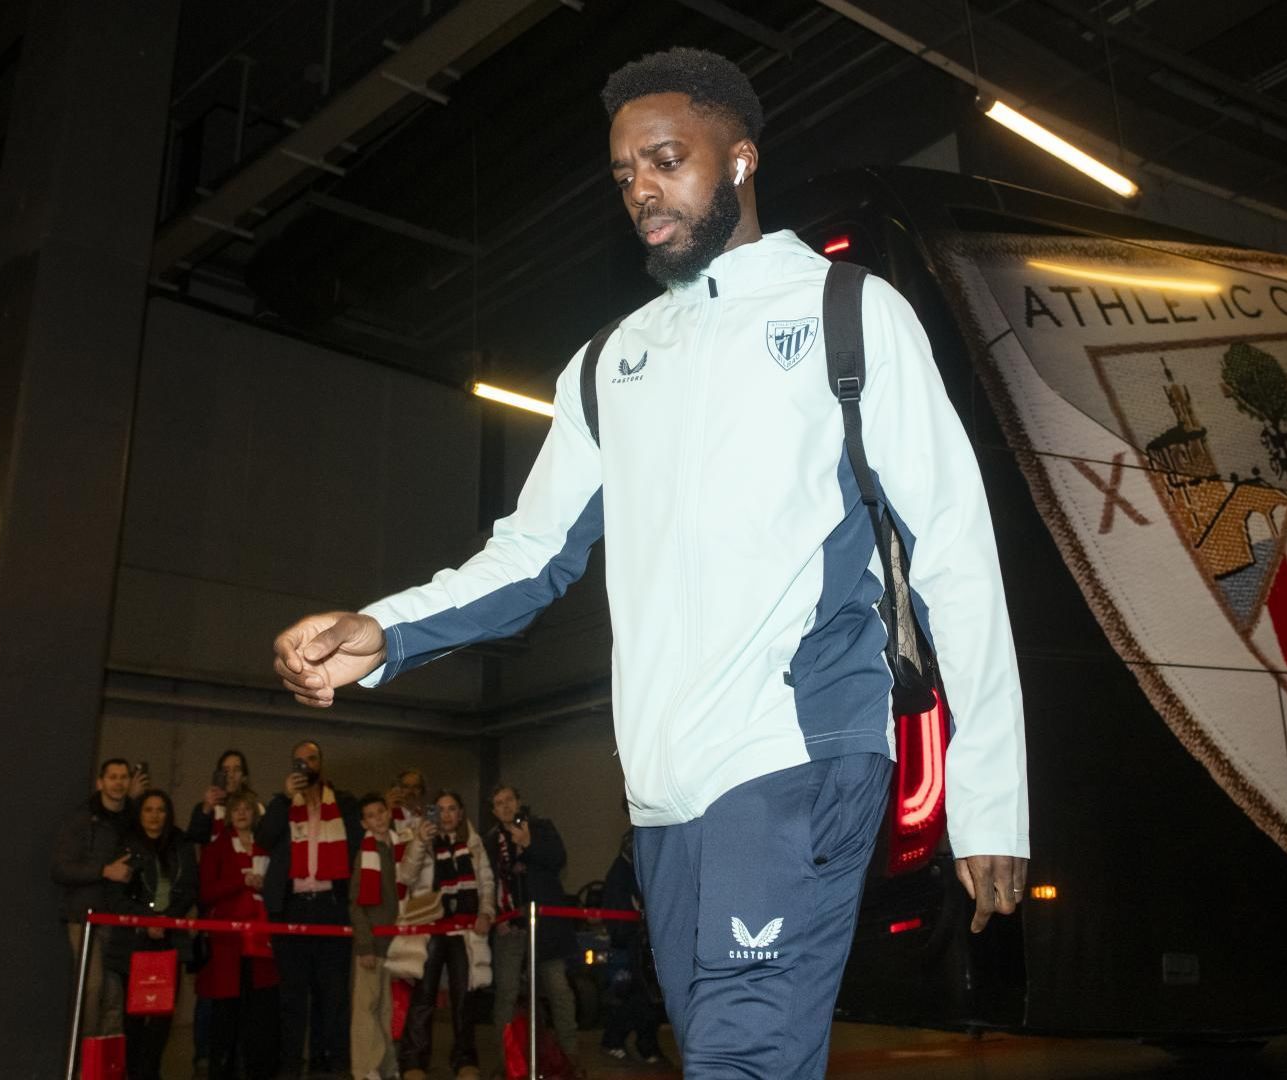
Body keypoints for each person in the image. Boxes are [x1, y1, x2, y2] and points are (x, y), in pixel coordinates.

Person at [270, 45, 1029, 1079]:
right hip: (663, 796)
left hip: (798, 753)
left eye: (667, 160)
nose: (642, 192)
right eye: (626, 174)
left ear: (743, 158)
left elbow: (957, 552)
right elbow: (531, 553)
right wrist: (385, 630)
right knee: (716, 1050)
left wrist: (989, 798)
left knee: (742, 1060)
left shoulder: (847, 316)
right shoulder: (609, 364)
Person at [254, 739, 362, 1080]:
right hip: (293, 910)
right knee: (293, 998)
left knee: (333, 997)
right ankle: (289, 1067)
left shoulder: (344, 804)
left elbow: (359, 845)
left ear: (321, 764)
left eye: (311, 759)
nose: (305, 765)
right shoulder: (281, 804)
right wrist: (285, 798)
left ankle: (335, 1063)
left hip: (332, 909)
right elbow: (264, 838)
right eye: (298, 760)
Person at [481, 785, 579, 1076]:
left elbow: (558, 859)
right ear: (494, 811)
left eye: (509, 800)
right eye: (499, 803)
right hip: (509, 927)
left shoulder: (541, 827)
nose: (506, 806)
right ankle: (509, 1063)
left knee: (559, 991)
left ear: (519, 802)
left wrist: (529, 843)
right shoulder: (489, 841)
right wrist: (497, 917)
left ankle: (570, 1060)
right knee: (507, 994)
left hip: (546, 926)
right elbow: (487, 880)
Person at [398, 790, 494, 1080]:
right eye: (440, 809)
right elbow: (405, 876)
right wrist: (419, 843)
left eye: (452, 808)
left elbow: (486, 881)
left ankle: (465, 1058)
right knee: (423, 995)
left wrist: (486, 913)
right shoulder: (420, 837)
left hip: (464, 930)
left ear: (461, 812)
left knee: (464, 996)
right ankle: (414, 1062)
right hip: (430, 927)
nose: (446, 815)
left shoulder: (474, 841)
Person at [106, 789, 199, 1080]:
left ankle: (150, 1072)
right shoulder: (127, 845)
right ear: (140, 813)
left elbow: (190, 888)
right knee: (134, 1016)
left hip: (170, 937)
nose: (155, 816)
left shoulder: (180, 844)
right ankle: (134, 1072)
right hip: (134, 940)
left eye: (160, 810)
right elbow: (116, 895)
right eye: (148, 809)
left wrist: (167, 920)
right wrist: (147, 919)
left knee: (162, 1015)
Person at [199, 789, 280, 1080]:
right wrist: (241, 881)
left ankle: (258, 1069)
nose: (242, 813)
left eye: (247, 808)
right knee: (226, 1012)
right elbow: (207, 892)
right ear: (229, 815)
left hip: (261, 943)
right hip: (228, 945)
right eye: (236, 809)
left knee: (259, 1013)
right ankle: (222, 1069)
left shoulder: (267, 847)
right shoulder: (217, 849)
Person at [53, 757, 137, 1036]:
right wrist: (104, 871)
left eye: (123, 777)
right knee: (92, 988)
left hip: (118, 915)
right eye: (112, 777)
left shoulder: (133, 819)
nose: (118, 782)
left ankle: (106, 1064)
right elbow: (61, 868)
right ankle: (84, 1062)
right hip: (84, 916)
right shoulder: (81, 820)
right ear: (100, 782)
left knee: (114, 993)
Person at [349, 791, 430, 1080]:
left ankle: (385, 1066)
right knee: (365, 1010)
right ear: (363, 823)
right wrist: (365, 945)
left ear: (388, 813)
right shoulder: (365, 853)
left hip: (393, 943)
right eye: (370, 816)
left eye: (381, 813)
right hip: (370, 944)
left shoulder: (399, 848)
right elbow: (356, 904)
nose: (378, 819)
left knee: (385, 1009)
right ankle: (364, 1069)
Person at [597, 826, 662, 1066]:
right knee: (639, 995)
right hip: (631, 944)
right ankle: (620, 1040)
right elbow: (619, 915)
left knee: (646, 996)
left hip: (641, 942)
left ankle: (645, 1043)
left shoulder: (638, 872)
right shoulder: (622, 873)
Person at [189, 748, 256, 846]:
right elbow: (195, 837)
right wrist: (206, 809)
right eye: (226, 770)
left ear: (244, 777)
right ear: (218, 775)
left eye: (236, 770)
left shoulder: (255, 809)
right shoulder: (206, 809)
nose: (231, 775)